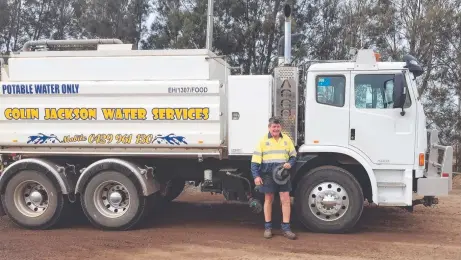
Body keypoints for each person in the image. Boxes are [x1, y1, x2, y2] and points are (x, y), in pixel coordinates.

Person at [250, 117, 297, 240]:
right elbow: (255, 162)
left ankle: (286, 229)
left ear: (281, 127)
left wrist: (290, 164)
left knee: (285, 199)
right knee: (269, 199)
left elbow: (293, 156)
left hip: (283, 174)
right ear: (269, 127)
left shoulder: (287, 140)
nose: (275, 129)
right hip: (268, 174)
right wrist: (256, 176)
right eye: (273, 127)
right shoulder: (262, 141)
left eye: (277, 126)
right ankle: (268, 228)